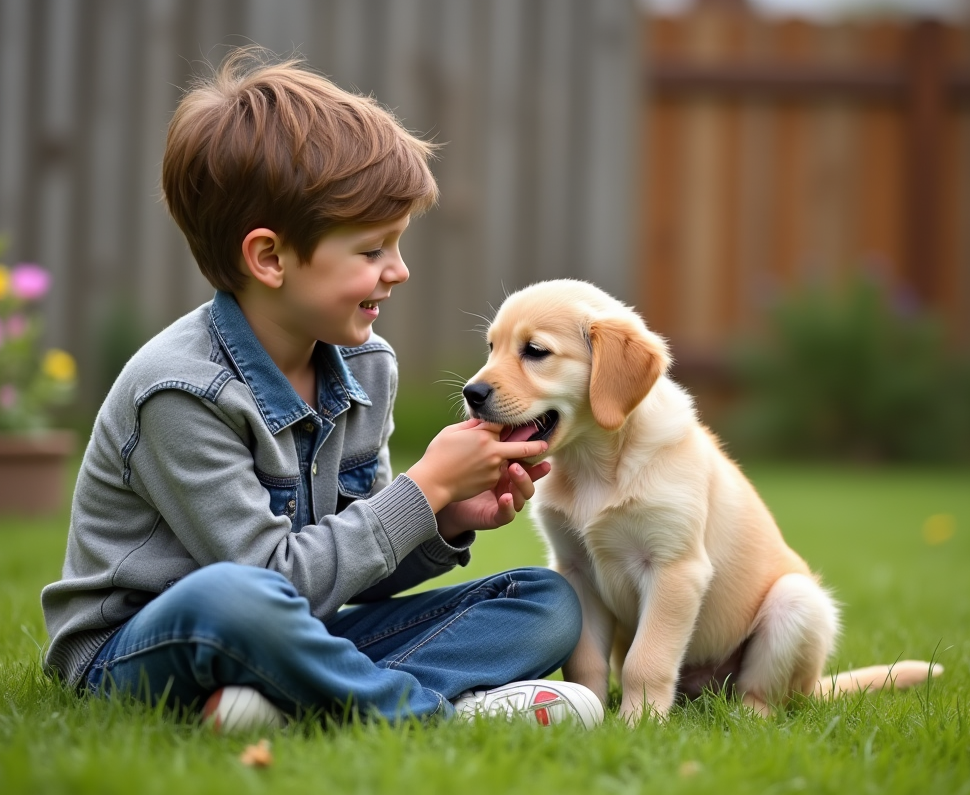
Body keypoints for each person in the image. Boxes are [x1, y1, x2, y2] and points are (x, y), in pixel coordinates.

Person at [40, 50, 602, 731]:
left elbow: (345, 569)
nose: (399, 270)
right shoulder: (180, 391)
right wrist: (422, 489)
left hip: (301, 633)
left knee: (544, 600)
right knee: (233, 598)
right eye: (372, 251)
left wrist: (447, 516)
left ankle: (293, 705)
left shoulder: (365, 368)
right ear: (270, 258)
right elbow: (274, 581)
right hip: (149, 652)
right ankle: (435, 717)